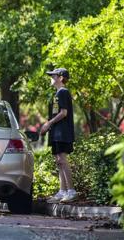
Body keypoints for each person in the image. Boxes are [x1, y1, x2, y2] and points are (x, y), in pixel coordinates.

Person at [40, 67, 77, 203]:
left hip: (63, 132)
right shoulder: (57, 94)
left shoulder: (63, 92)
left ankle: (71, 191)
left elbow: (64, 113)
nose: (51, 78)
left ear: (60, 78)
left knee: (62, 159)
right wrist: (49, 125)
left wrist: (49, 123)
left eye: (53, 76)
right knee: (58, 161)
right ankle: (62, 192)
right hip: (56, 132)